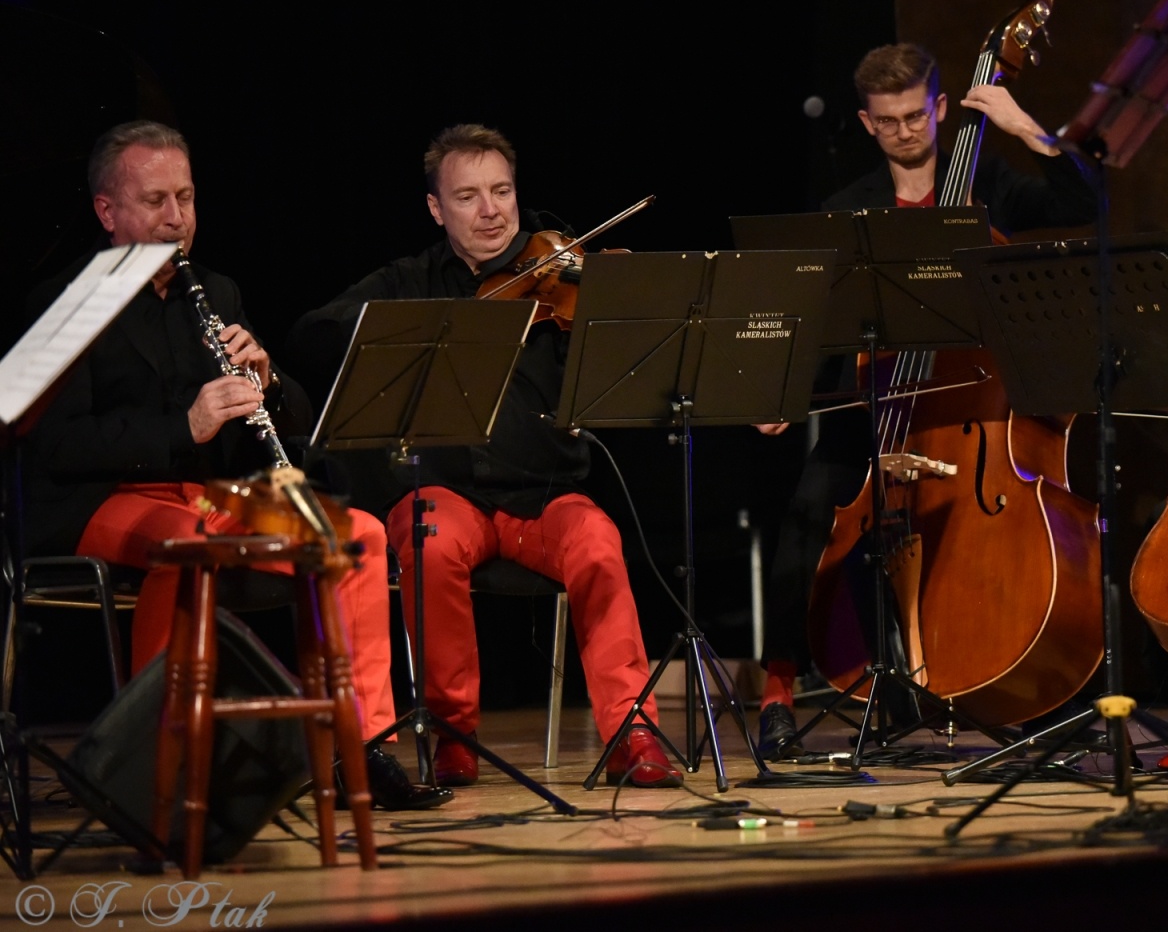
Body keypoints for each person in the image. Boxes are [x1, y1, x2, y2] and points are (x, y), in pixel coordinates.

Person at [22, 120, 448, 811]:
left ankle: (360, 750)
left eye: (185, 199)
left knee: (359, 536)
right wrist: (183, 425)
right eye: (155, 201)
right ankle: (162, 765)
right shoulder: (67, 302)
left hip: (205, 495)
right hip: (97, 502)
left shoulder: (216, 292)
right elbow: (56, 446)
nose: (176, 219)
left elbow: (289, 428)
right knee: (186, 547)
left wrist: (270, 383)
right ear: (107, 211)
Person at [288, 123, 679, 788]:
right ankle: (452, 734)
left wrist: (625, 305)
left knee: (598, 542)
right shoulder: (408, 280)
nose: (492, 210)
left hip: (545, 495)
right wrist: (409, 328)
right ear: (437, 209)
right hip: (449, 495)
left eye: (502, 191)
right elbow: (309, 337)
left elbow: (649, 365)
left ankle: (632, 731)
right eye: (468, 196)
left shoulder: (561, 277)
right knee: (428, 540)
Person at [754, 43, 1101, 757]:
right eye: (889, 121)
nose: (906, 131)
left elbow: (1082, 201)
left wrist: (1025, 126)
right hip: (879, 420)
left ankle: (1025, 686)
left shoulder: (990, 183)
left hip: (971, 420)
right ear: (867, 122)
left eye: (917, 114)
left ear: (940, 108)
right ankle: (778, 694)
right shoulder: (846, 211)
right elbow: (821, 325)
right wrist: (785, 391)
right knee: (805, 518)